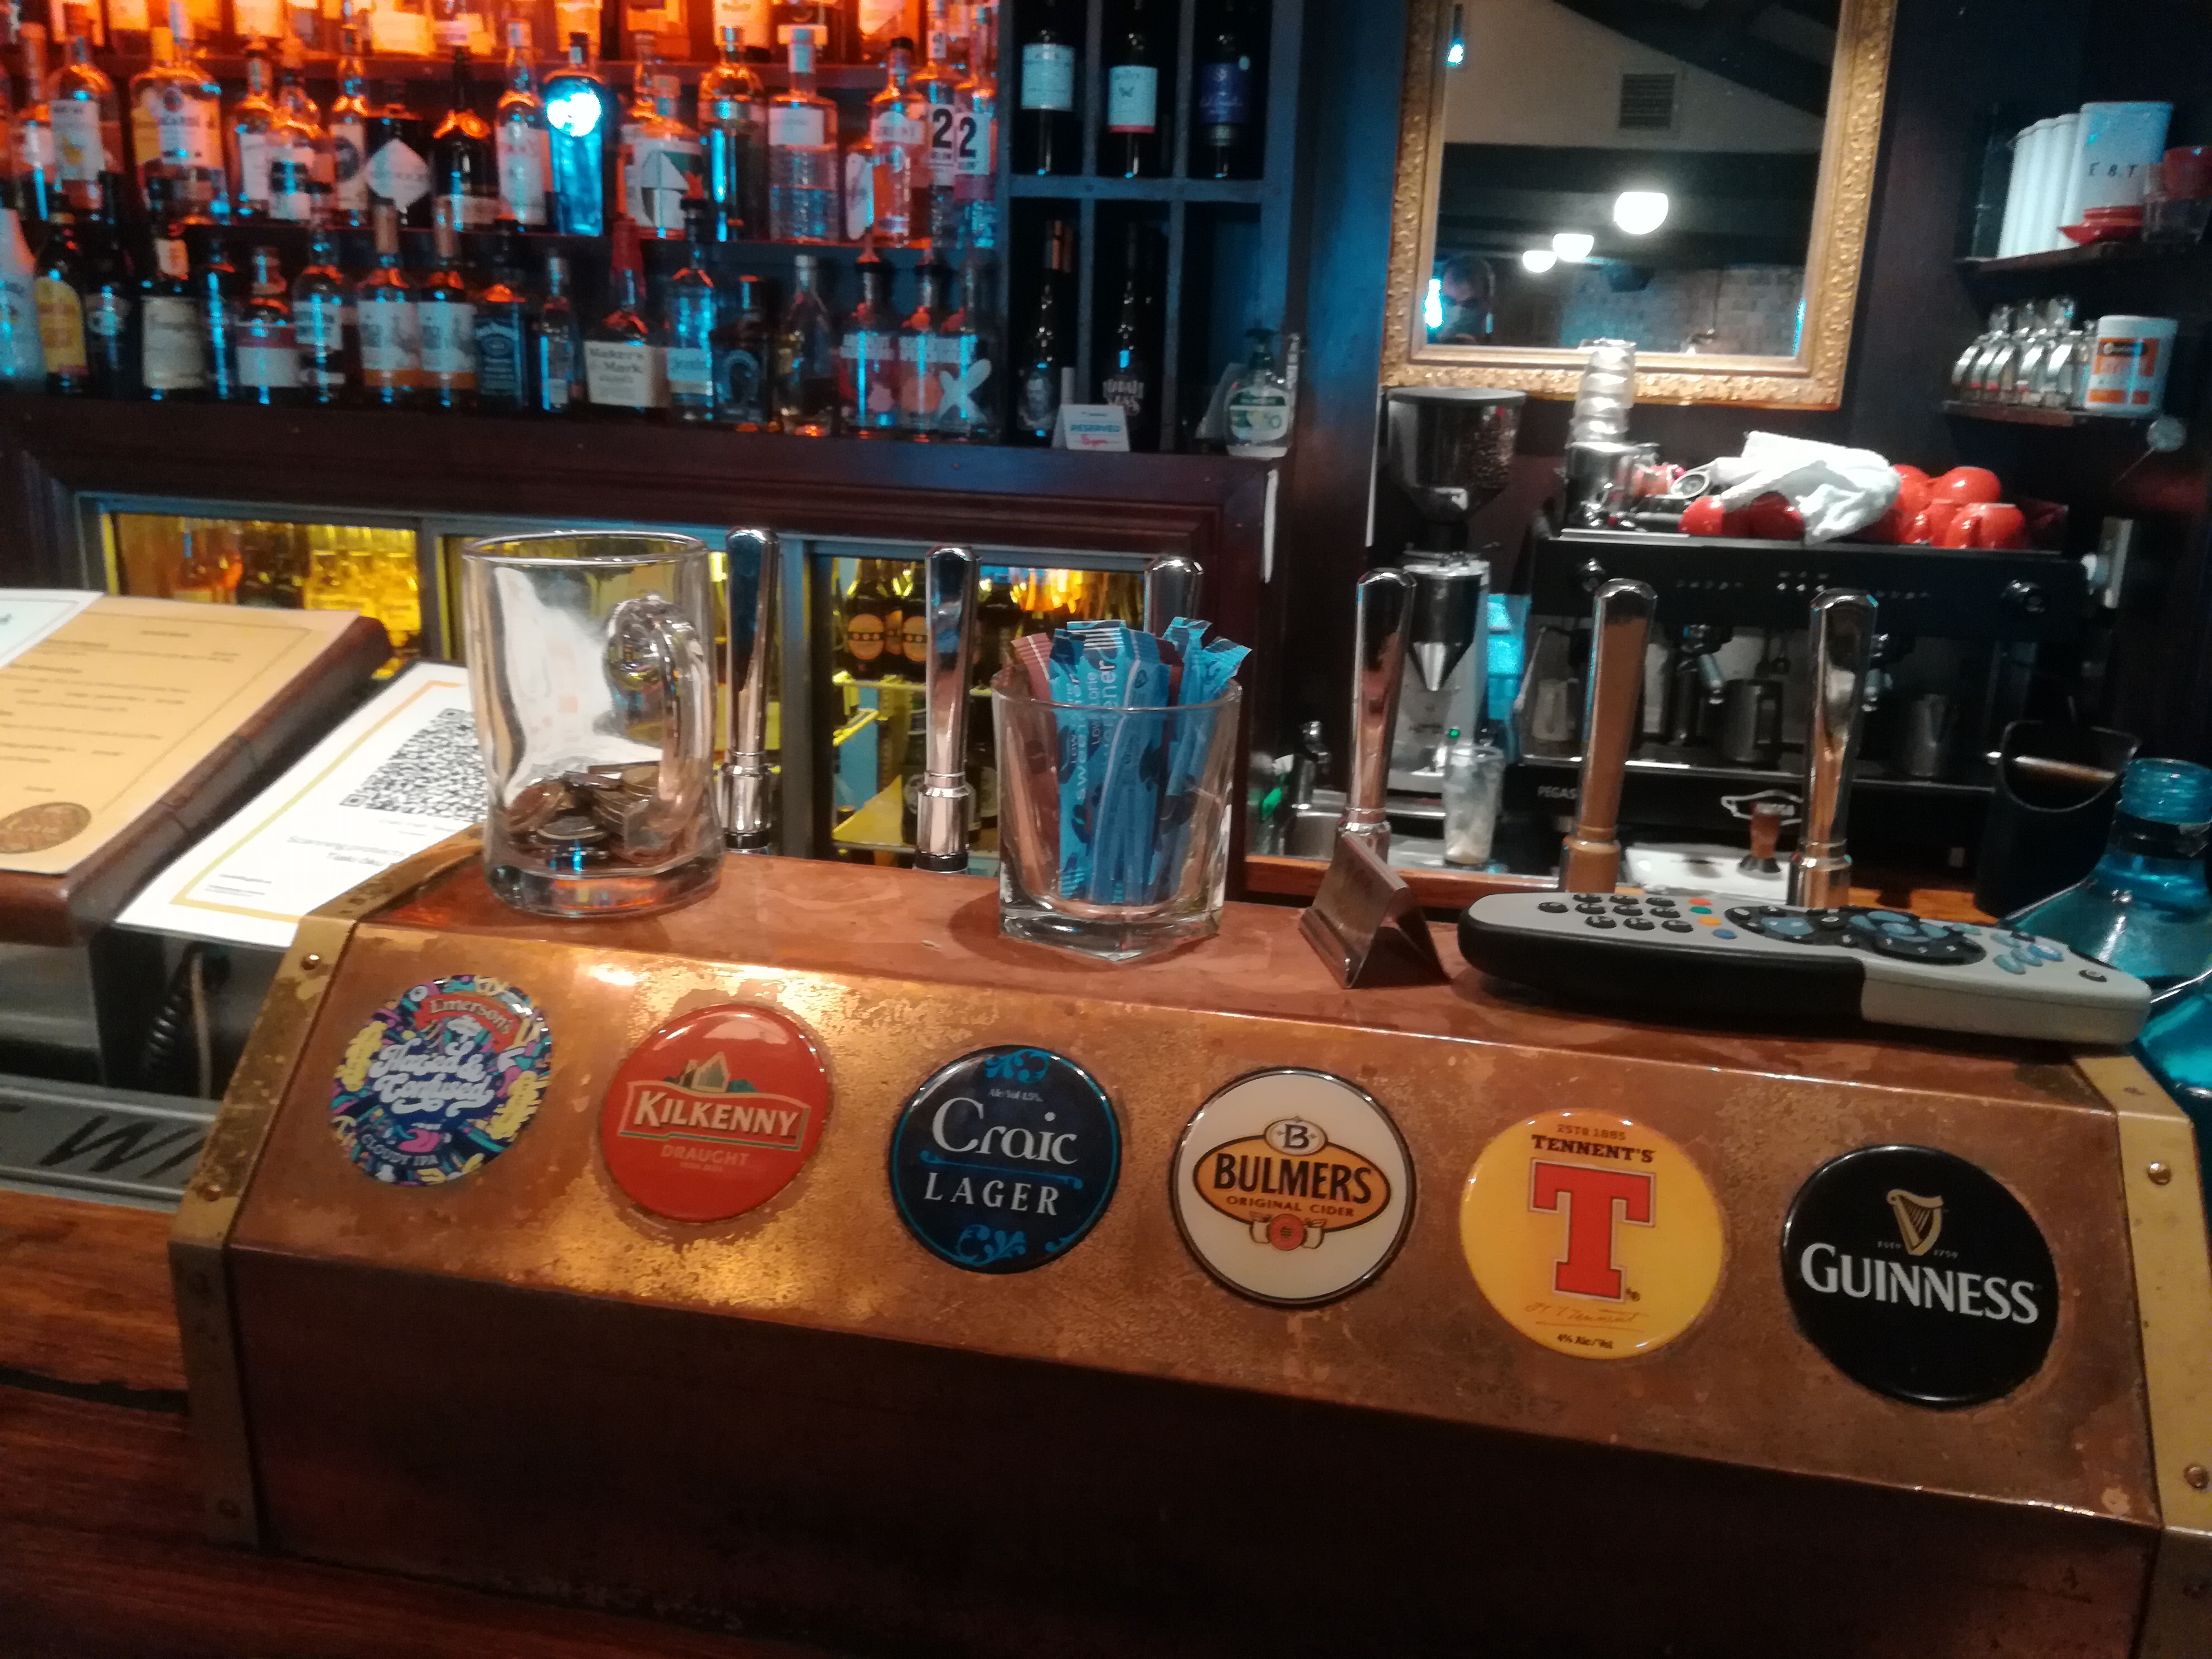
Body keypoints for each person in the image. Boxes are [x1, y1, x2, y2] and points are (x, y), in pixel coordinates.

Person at [1433, 254, 1495, 343]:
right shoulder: (1421, 347)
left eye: (1470, 305)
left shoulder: (1503, 350)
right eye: (1450, 302)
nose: (1458, 313)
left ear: (1488, 304)